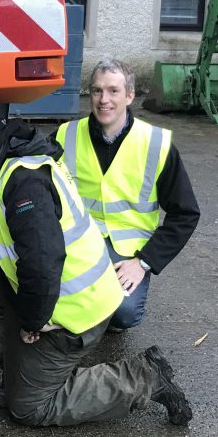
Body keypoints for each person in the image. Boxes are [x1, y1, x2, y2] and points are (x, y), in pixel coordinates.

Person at [0, 101, 192, 427]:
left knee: (28, 408)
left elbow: (43, 263)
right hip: (67, 291)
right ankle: (25, 374)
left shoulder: (23, 184)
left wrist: (33, 321)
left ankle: (145, 377)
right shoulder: (12, 156)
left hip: (77, 310)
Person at [56, 59, 199, 332]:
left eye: (113, 91)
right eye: (97, 91)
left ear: (130, 95)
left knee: (122, 314)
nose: (103, 100)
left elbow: (186, 213)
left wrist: (144, 262)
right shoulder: (65, 135)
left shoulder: (156, 143)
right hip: (77, 241)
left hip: (127, 250)